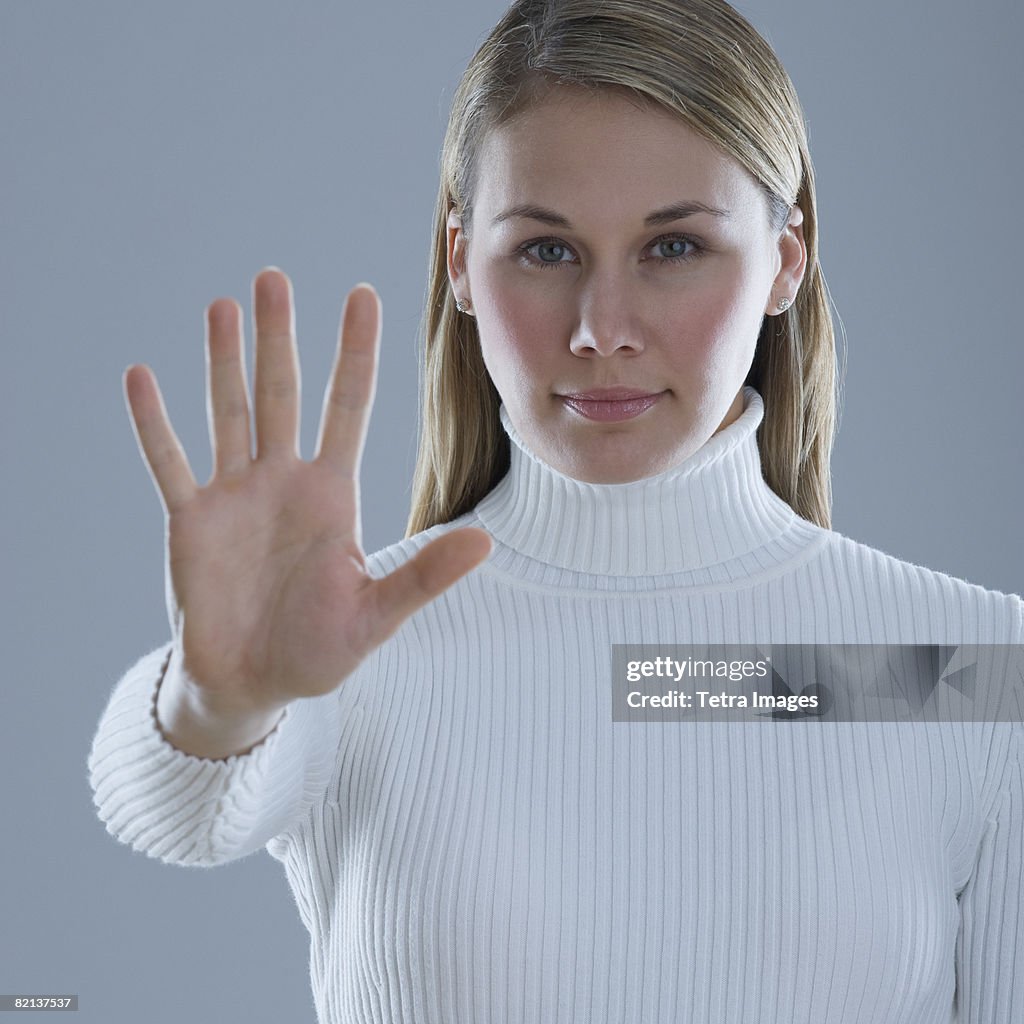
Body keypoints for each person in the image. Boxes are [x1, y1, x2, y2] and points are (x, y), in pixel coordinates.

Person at [88, 0, 1023, 1021]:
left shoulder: (967, 668)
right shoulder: (340, 651)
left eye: (674, 249)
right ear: (459, 263)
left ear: (783, 264)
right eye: (545, 250)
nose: (601, 329)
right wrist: (218, 700)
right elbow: (177, 814)